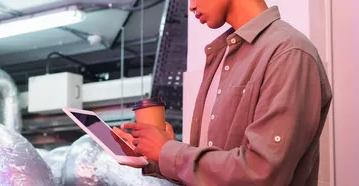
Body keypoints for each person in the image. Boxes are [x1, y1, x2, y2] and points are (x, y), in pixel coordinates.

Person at [112, 0, 333, 185]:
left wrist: (169, 152)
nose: (191, 6)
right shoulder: (220, 55)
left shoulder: (289, 53)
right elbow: (213, 174)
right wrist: (155, 153)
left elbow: (262, 172)